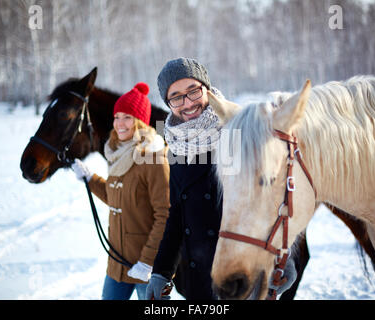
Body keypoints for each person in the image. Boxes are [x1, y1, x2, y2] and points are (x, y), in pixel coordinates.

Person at [146, 57, 297, 300]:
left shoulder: (239, 132)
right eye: (176, 97)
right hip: (198, 282)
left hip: (245, 274)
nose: (187, 103)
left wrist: (283, 257)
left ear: (206, 88)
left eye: (193, 91)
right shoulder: (175, 146)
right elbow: (176, 216)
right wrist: (161, 272)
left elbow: (270, 200)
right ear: (168, 103)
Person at [72, 82, 170, 300]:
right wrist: (90, 179)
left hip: (148, 269)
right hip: (117, 264)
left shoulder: (154, 158)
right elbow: (115, 197)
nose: (119, 123)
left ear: (140, 122)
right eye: (117, 117)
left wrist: (147, 261)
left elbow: (165, 216)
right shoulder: (117, 154)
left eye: (127, 117)